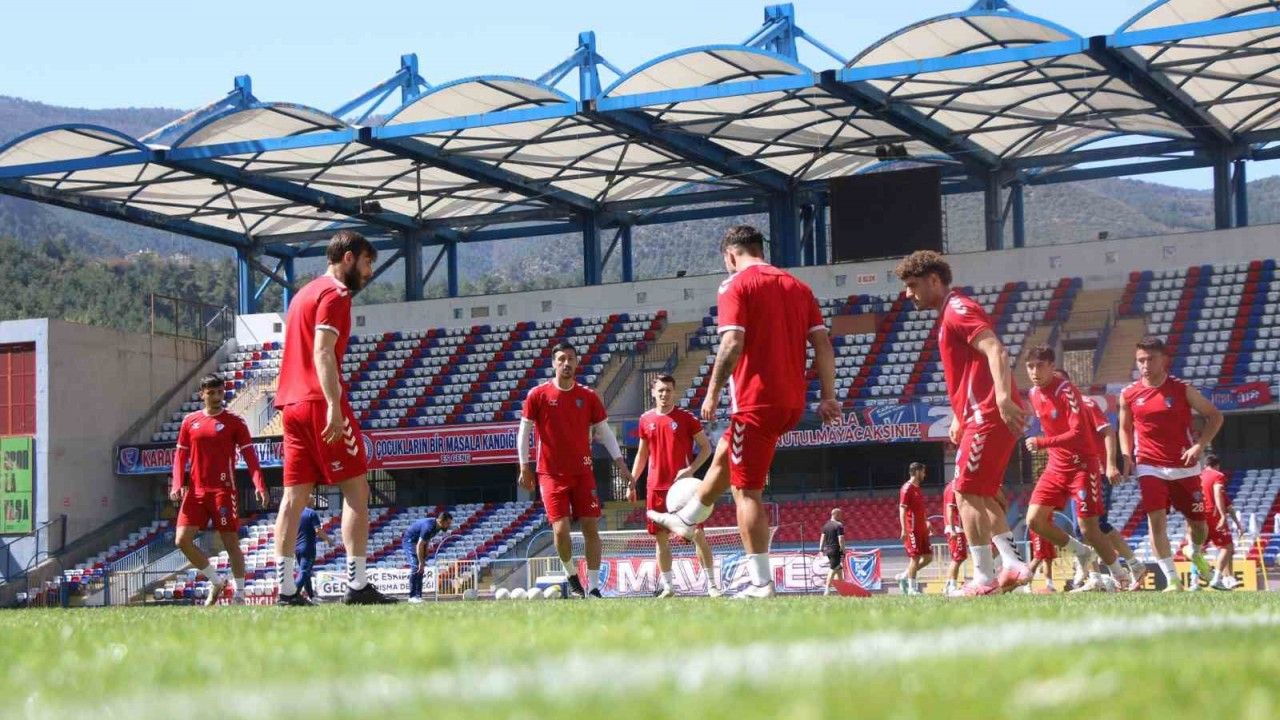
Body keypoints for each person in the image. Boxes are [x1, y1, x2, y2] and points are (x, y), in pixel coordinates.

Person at [647, 225, 840, 599]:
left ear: (730, 255)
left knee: (745, 491)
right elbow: (823, 345)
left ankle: (761, 583)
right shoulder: (799, 287)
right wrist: (828, 395)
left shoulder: (734, 285)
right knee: (724, 455)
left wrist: (712, 392)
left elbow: (732, 343)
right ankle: (687, 518)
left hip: (755, 401)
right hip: (791, 402)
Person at [894, 251, 1028, 595]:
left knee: (964, 492)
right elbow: (970, 370)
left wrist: (1002, 398)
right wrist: (958, 415)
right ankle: (1013, 564)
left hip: (987, 415)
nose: (908, 294)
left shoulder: (957, 309)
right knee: (981, 494)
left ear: (934, 280)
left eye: (913, 285)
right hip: (977, 415)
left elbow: (996, 350)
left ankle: (984, 578)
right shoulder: (949, 313)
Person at [272, 230, 393, 606]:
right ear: (349, 257)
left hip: (290, 404)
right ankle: (357, 585)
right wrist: (333, 405)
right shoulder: (337, 294)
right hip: (317, 401)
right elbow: (323, 352)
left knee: (293, 498)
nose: (369, 272)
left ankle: (286, 591)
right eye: (367, 262)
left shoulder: (302, 294)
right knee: (356, 490)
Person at [518, 342, 632, 598]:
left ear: (577, 363)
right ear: (553, 363)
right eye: (561, 359)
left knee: (591, 527)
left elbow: (605, 432)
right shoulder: (538, 395)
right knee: (561, 530)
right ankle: (571, 575)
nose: (566, 363)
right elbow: (524, 431)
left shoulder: (588, 396)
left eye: (571, 358)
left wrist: (621, 464)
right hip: (550, 474)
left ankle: (593, 587)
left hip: (583, 473)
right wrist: (524, 466)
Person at [1119, 337, 1223, 592]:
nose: (1145, 365)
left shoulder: (1182, 389)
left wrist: (1199, 446)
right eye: (1140, 360)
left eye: (1150, 359)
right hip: (1149, 465)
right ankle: (1172, 580)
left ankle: (1194, 551)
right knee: (1156, 521)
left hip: (1184, 465)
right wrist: (1126, 455)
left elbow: (1215, 416)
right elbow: (1124, 428)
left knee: (1199, 525)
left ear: (1164, 359)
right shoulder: (1129, 393)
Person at [1023, 348, 1130, 592]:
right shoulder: (1033, 393)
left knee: (1089, 529)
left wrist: (1042, 442)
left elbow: (1078, 432)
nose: (1034, 372)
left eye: (1040, 366)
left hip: (1082, 466)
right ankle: (1082, 553)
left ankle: (1121, 576)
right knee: (1034, 521)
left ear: (1052, 366)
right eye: (1030, 366)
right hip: (1055, 467)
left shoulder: (1066, 391)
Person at [170, 374, 268, 606]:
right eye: (211, 393)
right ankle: (216, 581)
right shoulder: (190, 421)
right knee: (182, 541)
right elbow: (180, 456)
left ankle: (240, 594)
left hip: (223, 492)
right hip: (195, 492)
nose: (216, 397)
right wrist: (177, 484)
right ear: (202, 394)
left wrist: (259, 485)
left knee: (231, 543)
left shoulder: (235, 422)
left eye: (220, 392)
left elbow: (250, 456)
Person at [629, 375, 717, 598]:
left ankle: (712, 586)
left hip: (683, 491)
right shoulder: (645, 419)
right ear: (653, 393)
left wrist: (690, 469)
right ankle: (669, 587)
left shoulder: (686, 418)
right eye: (660, 390)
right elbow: (642, 454)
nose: (664, 394)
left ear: (674, 392)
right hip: (656, 488)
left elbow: (706, 448)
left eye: (668, 390)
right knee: (661, 540)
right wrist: (632, 481)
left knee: (697, 535)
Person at [1072, 378, 1147, 590]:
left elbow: (1108, 432)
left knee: (1095, 526)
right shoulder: (1060, 411)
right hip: (1076, 475)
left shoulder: (1087, 405)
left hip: (1096, 473)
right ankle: (1096, 576)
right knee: (1083, 529)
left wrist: (1111, 465)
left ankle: (1132, 565)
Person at [1200, 455, 1241, 591]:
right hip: (1213, 515)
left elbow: (1228, 504)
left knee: (1196, 549)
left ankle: (1226, 577)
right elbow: (1217, 492)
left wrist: (1238, 524)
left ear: (1205, 465)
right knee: (1227, 547)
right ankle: (1217, 578)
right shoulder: (1217, 476)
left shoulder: (1198, 477)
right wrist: (1222, 516)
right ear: (1217, 465)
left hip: (1199, 516)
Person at [402, 511, 454, 603]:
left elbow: (427, 539)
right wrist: (421, 562)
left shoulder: (437, 527)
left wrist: (425, 552)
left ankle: (418, 596)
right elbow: (419, 544)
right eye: (448, 523)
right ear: (441, 521)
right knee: (416, 566)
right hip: (410, 541)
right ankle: (412, 596)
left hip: (419, 542)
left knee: (421, 569)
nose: (449, 526)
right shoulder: (429, 527)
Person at [897, 463, 932, 595]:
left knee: (928, 558)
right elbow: (902, 509)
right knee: (915, 557)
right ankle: (911, 588)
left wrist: (926, 521)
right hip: (912, 528)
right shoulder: (907, 488)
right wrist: (904, 529)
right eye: (923, 472)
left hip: (922, 528)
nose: (924, 475)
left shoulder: (917, 488)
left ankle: (904, 576)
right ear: (917, 472)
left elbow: (920, 509)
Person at [295, 496, 335, 601]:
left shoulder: (296, 513)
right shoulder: (311, 513)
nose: (314, 502)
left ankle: (311, 597)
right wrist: (328, 540)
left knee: (306, 573)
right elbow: (318, 531)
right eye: (312, 500)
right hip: (308, 547)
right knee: (304, 572)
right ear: (307, 500)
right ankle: (293, 594)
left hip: (297, 548)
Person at [942, 479, 967, 595]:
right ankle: (952, 586)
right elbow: (950, 507)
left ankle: (948, 585)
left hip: (957, 527)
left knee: (959, 557)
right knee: (958, 557)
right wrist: (952, 529)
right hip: (956, 527)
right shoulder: (954, 486)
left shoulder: (951, 485)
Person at [818, 508, 846, 596]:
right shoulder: (839, 525)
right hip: (836, 550)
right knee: (833, 569)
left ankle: (843, 590)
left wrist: (821, 549)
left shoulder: (826, 525)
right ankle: (827, 589)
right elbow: (841, 539)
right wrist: (843, 550)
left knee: (839, 569)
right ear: (836, 514)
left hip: (828, 550)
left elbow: (822, 538)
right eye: (840, 515)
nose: (841, 517)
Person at [1025, 529, 1058, 593]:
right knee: (1038, 557)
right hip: (1038, 529)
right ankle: (1026, 584)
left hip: (1048, 529)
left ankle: (1049, 586)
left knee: (1048, 558)